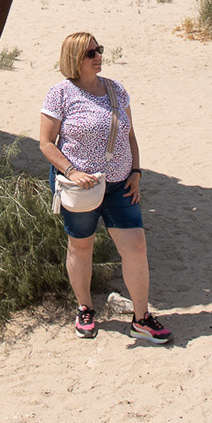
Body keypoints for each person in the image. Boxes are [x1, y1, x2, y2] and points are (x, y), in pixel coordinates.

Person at [37, 31, 171, 345]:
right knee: (81, 246)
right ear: (73, 59)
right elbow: (45, 144)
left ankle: (141, 317)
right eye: (90, 53)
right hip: (80, 187)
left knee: (136, 248)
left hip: (121, 184)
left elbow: (130, 135)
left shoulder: (116, 90)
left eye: (99, 50)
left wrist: (136, 171)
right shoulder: (60, 94)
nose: (98, 56)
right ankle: (84, 308)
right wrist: (72, 171)